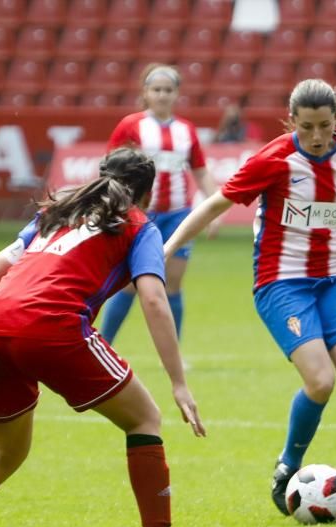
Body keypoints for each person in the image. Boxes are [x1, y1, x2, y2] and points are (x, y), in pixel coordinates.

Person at [164, 79, 336, 522]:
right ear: (292, 121)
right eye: (307, 126)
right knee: (320, 382)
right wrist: (168, 247)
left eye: (325, 127)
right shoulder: (274, 160)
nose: (316, 136)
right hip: (281, 284)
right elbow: (216, 204)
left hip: (335, 282)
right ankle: (288, 465)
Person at [0, 148, 215, 527]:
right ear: (148, 194)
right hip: (53, 327)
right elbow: (155, 298)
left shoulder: (56, 213)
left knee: (3, 455)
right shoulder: (139, 225)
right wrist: (178, 382)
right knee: (144, 419)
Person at [100, 64, 223, 349]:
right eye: (156, 89)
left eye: (168, 90)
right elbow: (110, 168)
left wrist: (216, 210)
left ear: (177, 94)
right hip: (141, 215)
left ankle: (173, 352)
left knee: (173, 285)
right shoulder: (131, 126)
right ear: (146, 92)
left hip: (179, 216)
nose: (162, 95)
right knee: (129, 283)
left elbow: (201, 171)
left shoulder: (186, 130)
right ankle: (103, 344)